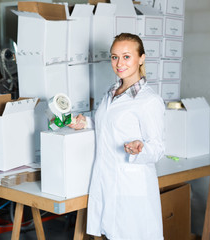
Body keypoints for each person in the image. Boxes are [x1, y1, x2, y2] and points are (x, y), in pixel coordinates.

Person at [70, 33, 165, 240]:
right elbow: (108, 126)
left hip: (131, 186)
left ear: (141, 58)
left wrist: (140, 148)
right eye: (114, 57)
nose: (119, 63)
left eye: (126, 56)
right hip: (107, 181)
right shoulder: (112, 92)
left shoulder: (149, 101)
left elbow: (157, 148)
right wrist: (85, 123)